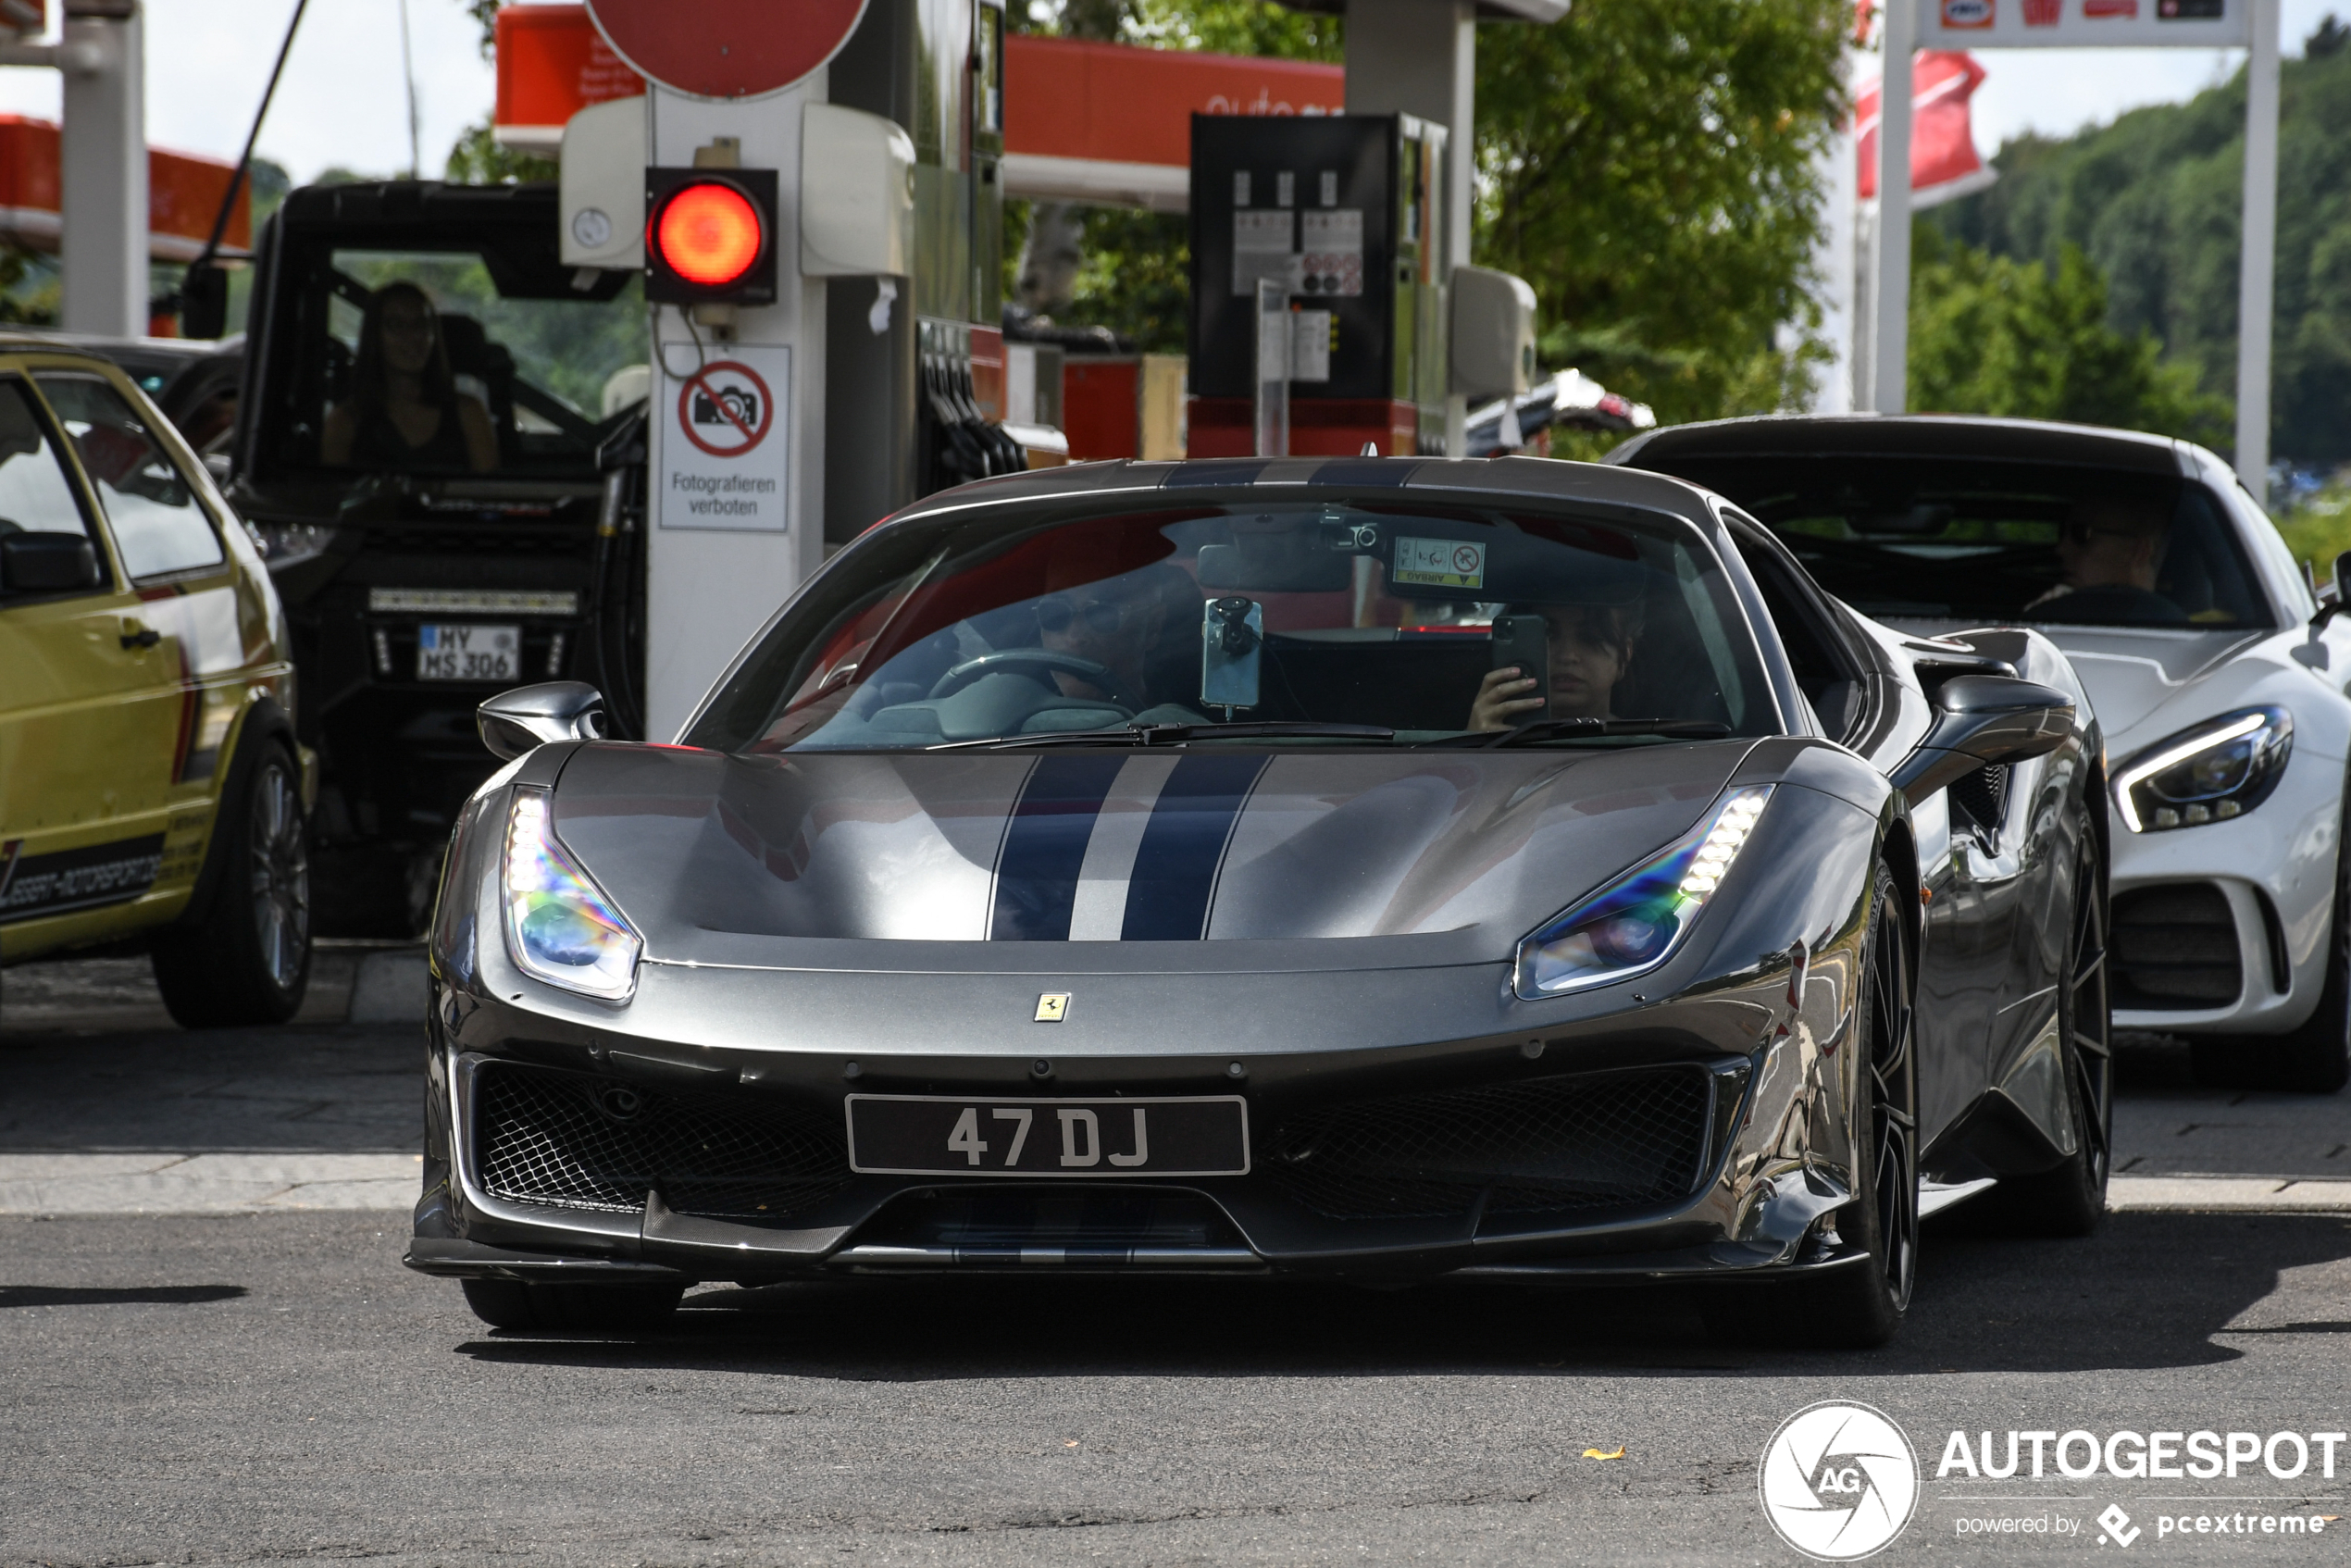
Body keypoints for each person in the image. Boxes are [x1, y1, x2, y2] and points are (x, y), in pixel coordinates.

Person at [320, 282, 497, 473]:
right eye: (396, 325)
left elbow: (488, 495)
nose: (412, 336)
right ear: (374, 336)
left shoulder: (468, 413)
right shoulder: (345, 420)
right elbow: (333, 496)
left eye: (421, 325)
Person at [1032, 562, 1204, 716]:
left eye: (1103, 614)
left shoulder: (1186, 737)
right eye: (1055, 613)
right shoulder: (1015, 726)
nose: (1074, 637)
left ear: (1153, 627)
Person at [1467, 600, 1644, 730]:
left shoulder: (1645, 750)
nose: (1567, 656)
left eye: (1590, 638)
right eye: (1547, 635)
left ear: (1625, 655)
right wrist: (1476, 745)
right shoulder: (1489, 735)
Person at [2024, 496, 2188, 624]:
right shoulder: (2184, 626)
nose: (2061, 549)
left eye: (2082, 534)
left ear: (2139, 551)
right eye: (2062, 533)